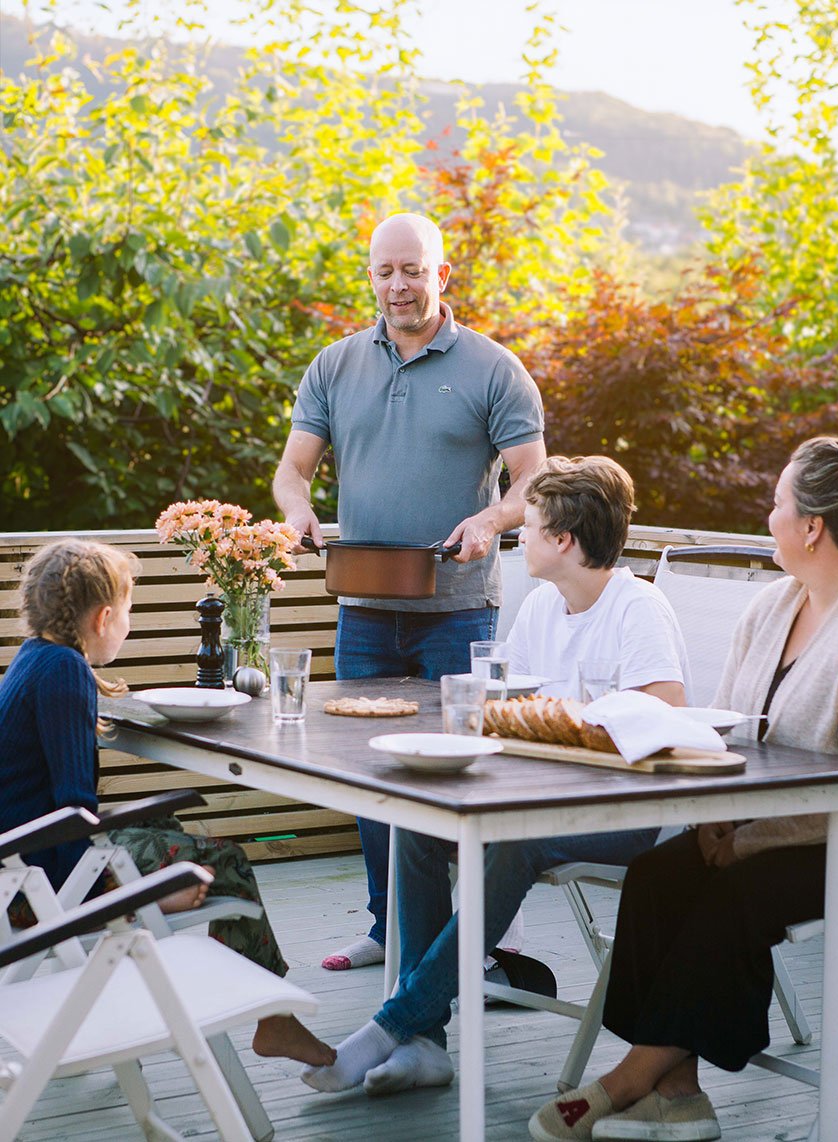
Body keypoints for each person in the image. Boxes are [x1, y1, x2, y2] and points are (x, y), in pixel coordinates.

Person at [530, 409, 838, 1142]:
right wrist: (714, 819)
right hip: (770, 819)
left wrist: (743, 841)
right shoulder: (773, 605)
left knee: (735, 894)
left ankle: (626, 1082)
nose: (768, 516)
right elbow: (735, 732)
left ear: (812, 527)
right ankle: (679, 1096)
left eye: (777, 504)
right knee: (658, 877)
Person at [301, 454, 692, 1098]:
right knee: (417, 825)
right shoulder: (542, 607)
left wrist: (568, 726)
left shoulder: (636, 607)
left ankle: (391, 1028)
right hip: (542, 795)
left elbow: (667, 713)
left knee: (516, 841)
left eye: (530, 526)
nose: (520, 538)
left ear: (562, 540)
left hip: (633, 814)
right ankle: (426, 1044)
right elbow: (510, 709)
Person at [273, 211, 546, 971]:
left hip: (458, 609)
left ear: (442, 275)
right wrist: (297, 509)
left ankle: (480, 934)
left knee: (462, 773)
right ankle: (387, 927)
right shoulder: (334, 366)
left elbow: (533, 479)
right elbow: (293, 470)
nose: (398, 285)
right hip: (362, 606)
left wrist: (492, 519)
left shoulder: (495, 368)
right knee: (370, 774)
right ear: (372, 276)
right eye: (385, 271)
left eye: (413, 270)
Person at [0, 538, 336, 1068]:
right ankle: (266, 1020)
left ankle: (254, 1005)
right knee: (226, 858)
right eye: (129, 609)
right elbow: (72, 812)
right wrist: (132, 897)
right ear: (105, 616)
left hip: (18, 868)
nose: (129, 621)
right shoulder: (63, 671)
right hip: (40, 885)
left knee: (164, 819)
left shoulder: (36, 657)